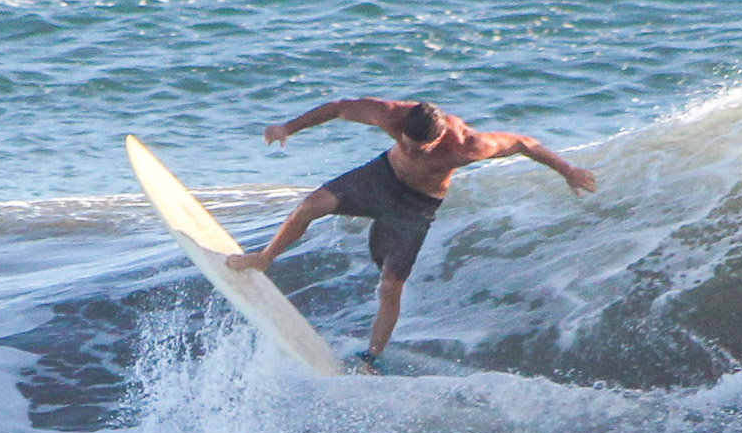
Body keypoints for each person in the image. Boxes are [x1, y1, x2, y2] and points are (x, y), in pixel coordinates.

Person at [226, 98, 596, 371]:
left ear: (437, 141)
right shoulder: (392, 115)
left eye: (418, 148)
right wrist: (288, 128)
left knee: (391, 286)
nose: (409, 148)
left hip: (416, 206)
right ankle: (264, 258)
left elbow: (524, 143)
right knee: (310, 205)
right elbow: (339, 108)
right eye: (404, 141)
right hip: (380, 178)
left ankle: (372, 358)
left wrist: (567, 171)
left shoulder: (469, 146)